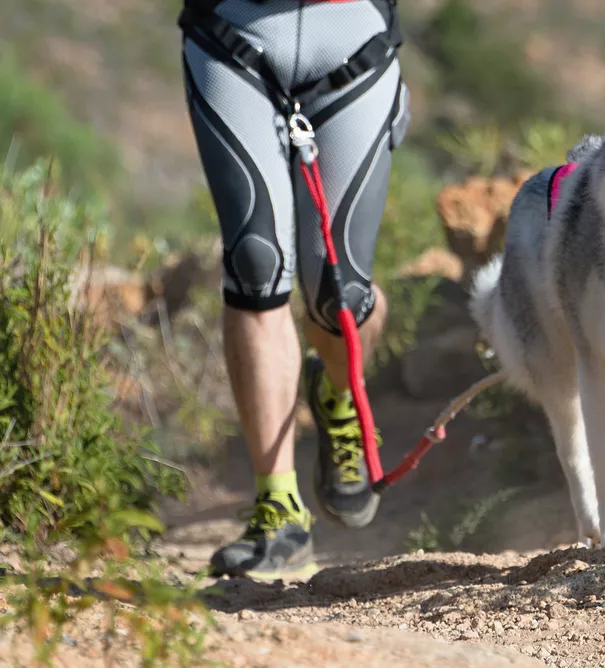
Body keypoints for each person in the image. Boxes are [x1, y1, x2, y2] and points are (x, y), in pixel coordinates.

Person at [178, 0, 410, 581]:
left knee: (341, 294)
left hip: (354, 37)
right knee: (256, 264)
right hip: (232, 30)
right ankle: (278, 507)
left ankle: (337, 397)